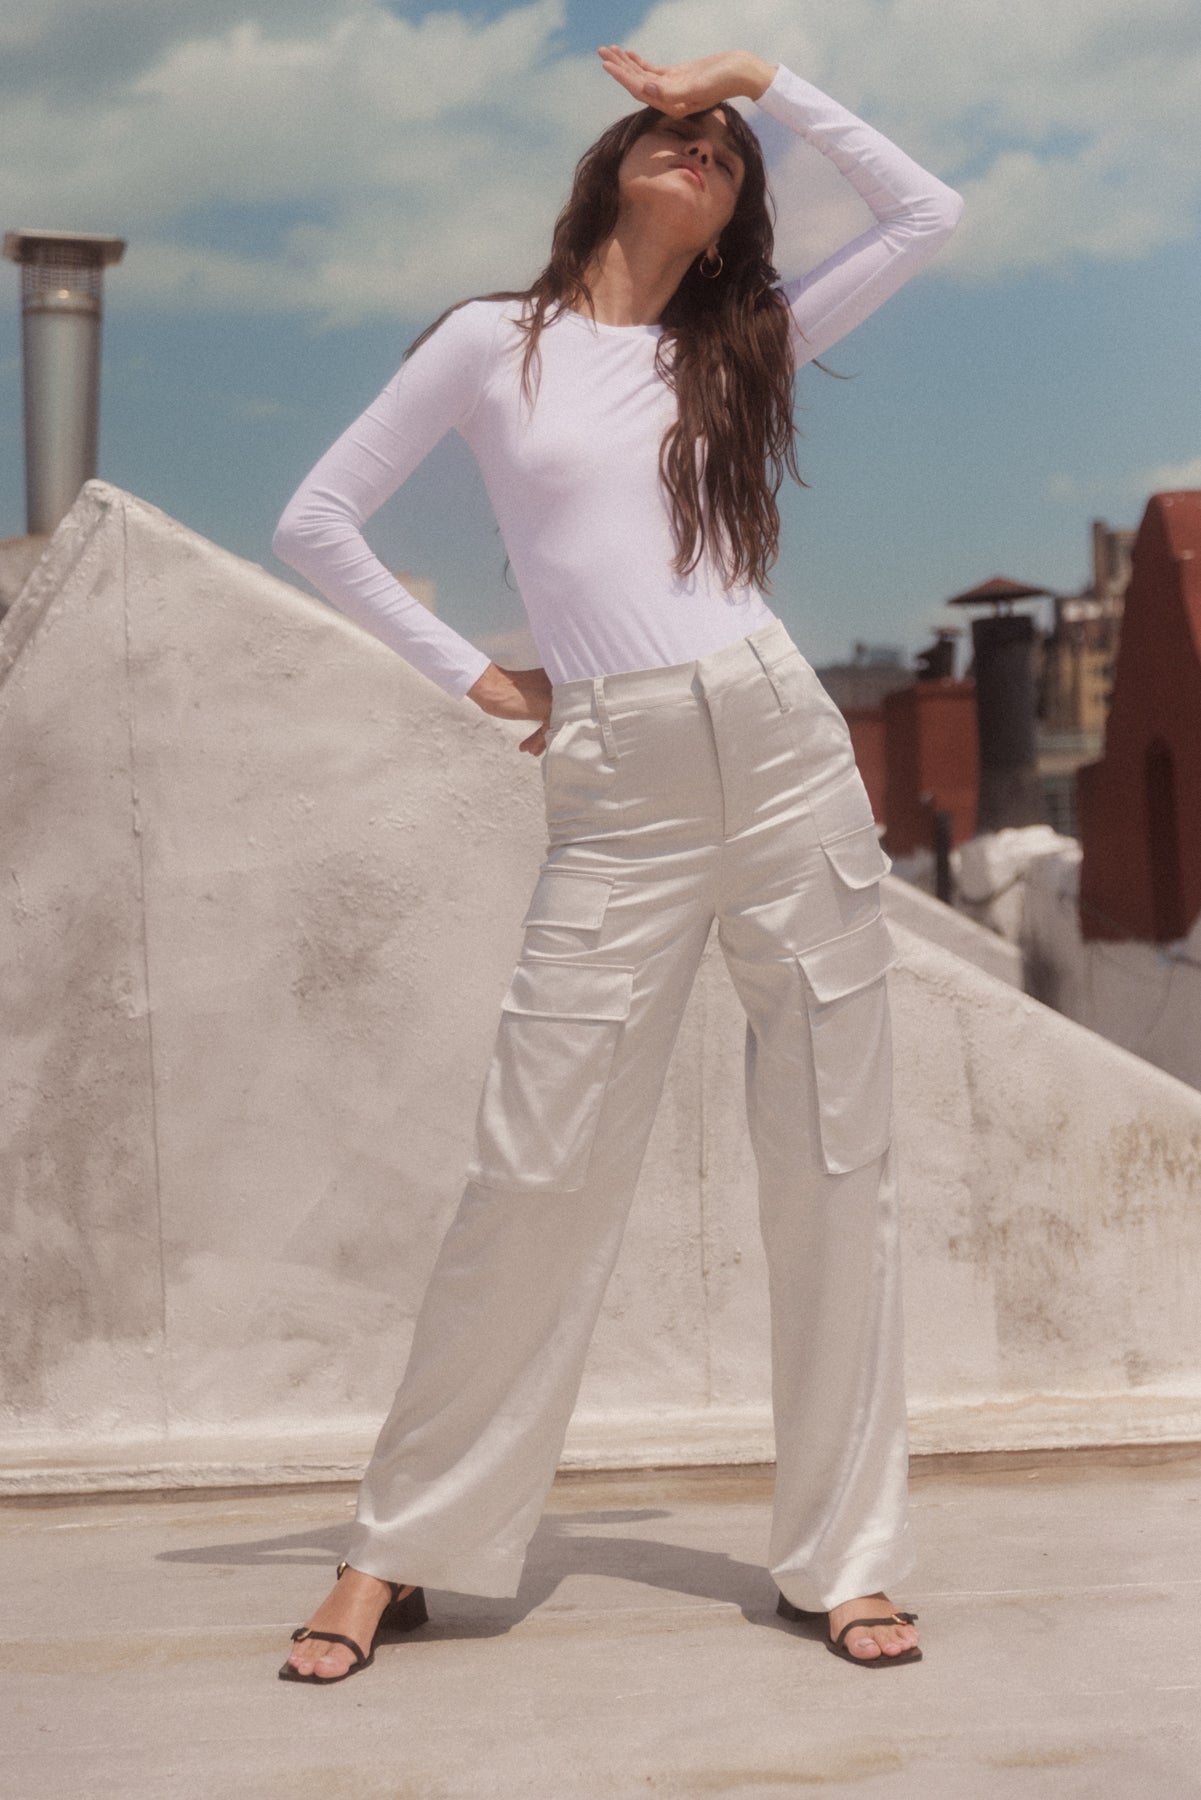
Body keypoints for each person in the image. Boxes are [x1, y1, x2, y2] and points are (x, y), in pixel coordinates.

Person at [271, 42, 963, 1684]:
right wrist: (477, 679)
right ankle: (397, 1549)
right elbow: (314, 522)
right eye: (674, 127)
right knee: (534, 1169)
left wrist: (766, 76)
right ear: (608, 165)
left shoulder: (739, 344)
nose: (701, 145)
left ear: (736, 214)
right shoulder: (488, 343)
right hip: (620, 784)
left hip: (781, 750)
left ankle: (844, 1559)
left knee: (833, 1167)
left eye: (725, 146)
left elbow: (926, 213)